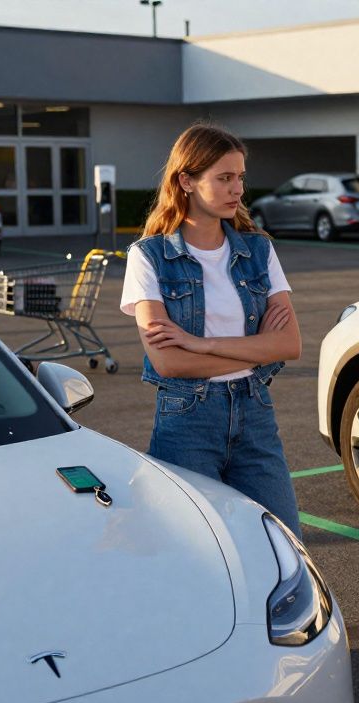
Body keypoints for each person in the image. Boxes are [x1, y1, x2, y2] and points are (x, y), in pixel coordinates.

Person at [119, 122, 303, 537]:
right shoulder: (149, 257)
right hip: (188, 420)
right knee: (194, 546)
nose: (237, 189)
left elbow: (289, 344)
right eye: (223, 178)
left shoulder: (258, 249)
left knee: (284, 541)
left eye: (240, 177)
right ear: (186, 180)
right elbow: (168, 361)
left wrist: (200, 343)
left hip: (255, 412)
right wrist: (256, 346)